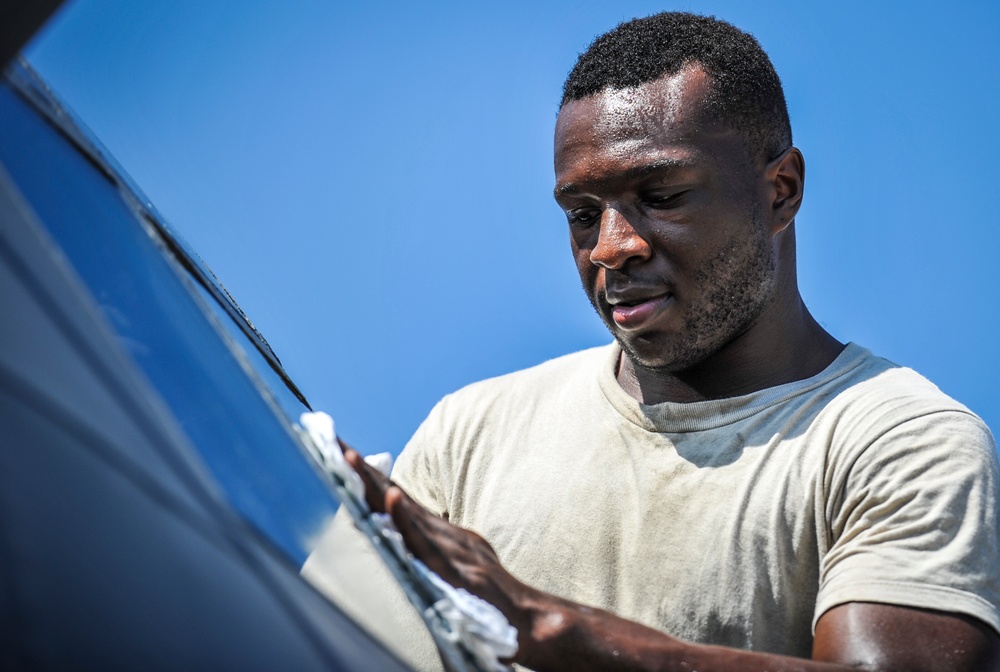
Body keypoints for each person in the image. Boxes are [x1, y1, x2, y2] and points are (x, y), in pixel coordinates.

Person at [310, 12, 1000, 671]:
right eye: (583, 215)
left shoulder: (899, 440)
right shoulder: (471, 434)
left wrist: (547, 627)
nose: (612, 248)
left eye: (662, 196)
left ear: (781, 192)